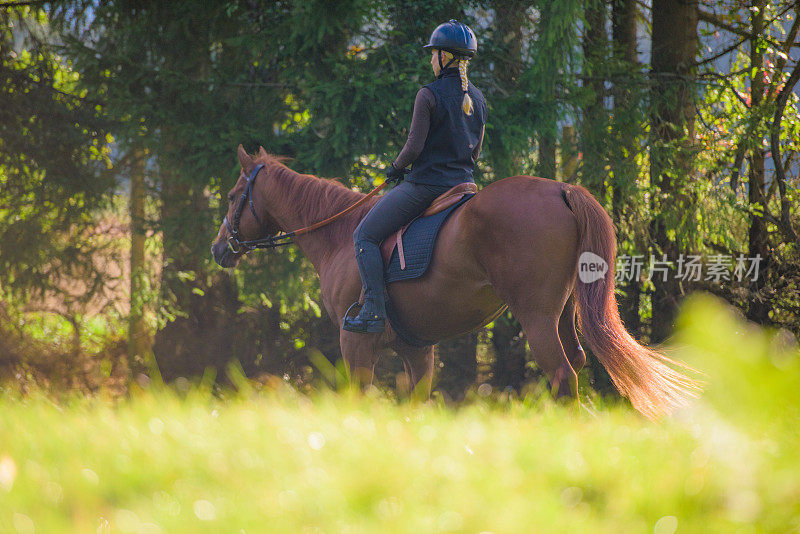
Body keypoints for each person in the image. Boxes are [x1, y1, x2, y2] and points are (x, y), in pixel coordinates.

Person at [343, 19, 487, 334]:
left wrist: (395, 168)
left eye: (434, 53)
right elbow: (475, 153)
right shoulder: (478, 99)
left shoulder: (429, 94)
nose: (431, 59)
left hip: (427, 186)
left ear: (445, 57)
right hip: (464, 186)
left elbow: (414, 146)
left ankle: (373, 311)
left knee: (364, 236)